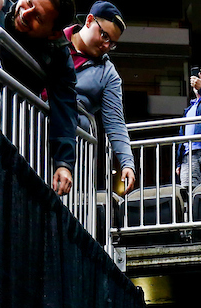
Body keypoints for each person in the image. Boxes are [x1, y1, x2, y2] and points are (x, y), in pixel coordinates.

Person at [0, 0, 79, 196]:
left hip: (9, 135)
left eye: (38, 17)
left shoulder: (58, 52)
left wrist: (63, 163)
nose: (25, 13)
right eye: (28, 1)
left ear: (53, 33)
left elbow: (65, 105)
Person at [63, 2, 135, 195]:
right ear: (89, 20)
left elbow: (115, 122)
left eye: (112, 43)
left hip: (71, 145)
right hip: (28, 127)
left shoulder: (108, 74)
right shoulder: (54, 37)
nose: (106, 46)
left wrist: (127, 162)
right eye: (104, 35)